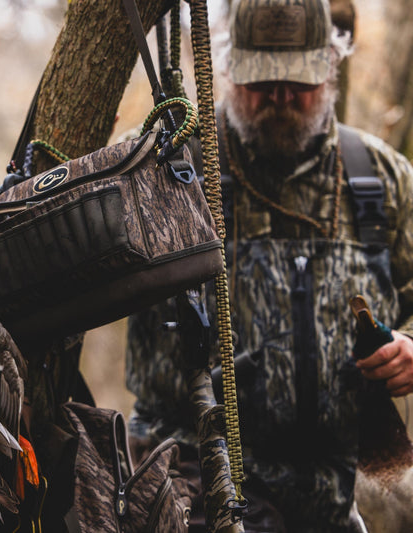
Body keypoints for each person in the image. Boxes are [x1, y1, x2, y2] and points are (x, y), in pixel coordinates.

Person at [126, 0, 413, 531]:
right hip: (196, 471)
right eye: (263, 81)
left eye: (297, 82)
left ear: (331, 66)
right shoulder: (170, 166)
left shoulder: (383, 179)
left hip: (347, 480)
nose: (280, 98)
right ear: (230, 68)